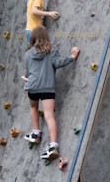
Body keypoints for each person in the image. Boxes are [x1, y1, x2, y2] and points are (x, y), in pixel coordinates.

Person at [22, 26, 79, 161]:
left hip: (33, 87)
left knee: (33, 107)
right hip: (48, 88)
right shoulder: (51, 50)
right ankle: (53, 146)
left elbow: (28, 73)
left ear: (33, 38)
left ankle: (36, 133)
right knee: (49, 116)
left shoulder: (27, 54)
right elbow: (58, 63)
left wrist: (27, 76)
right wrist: (72, 56)